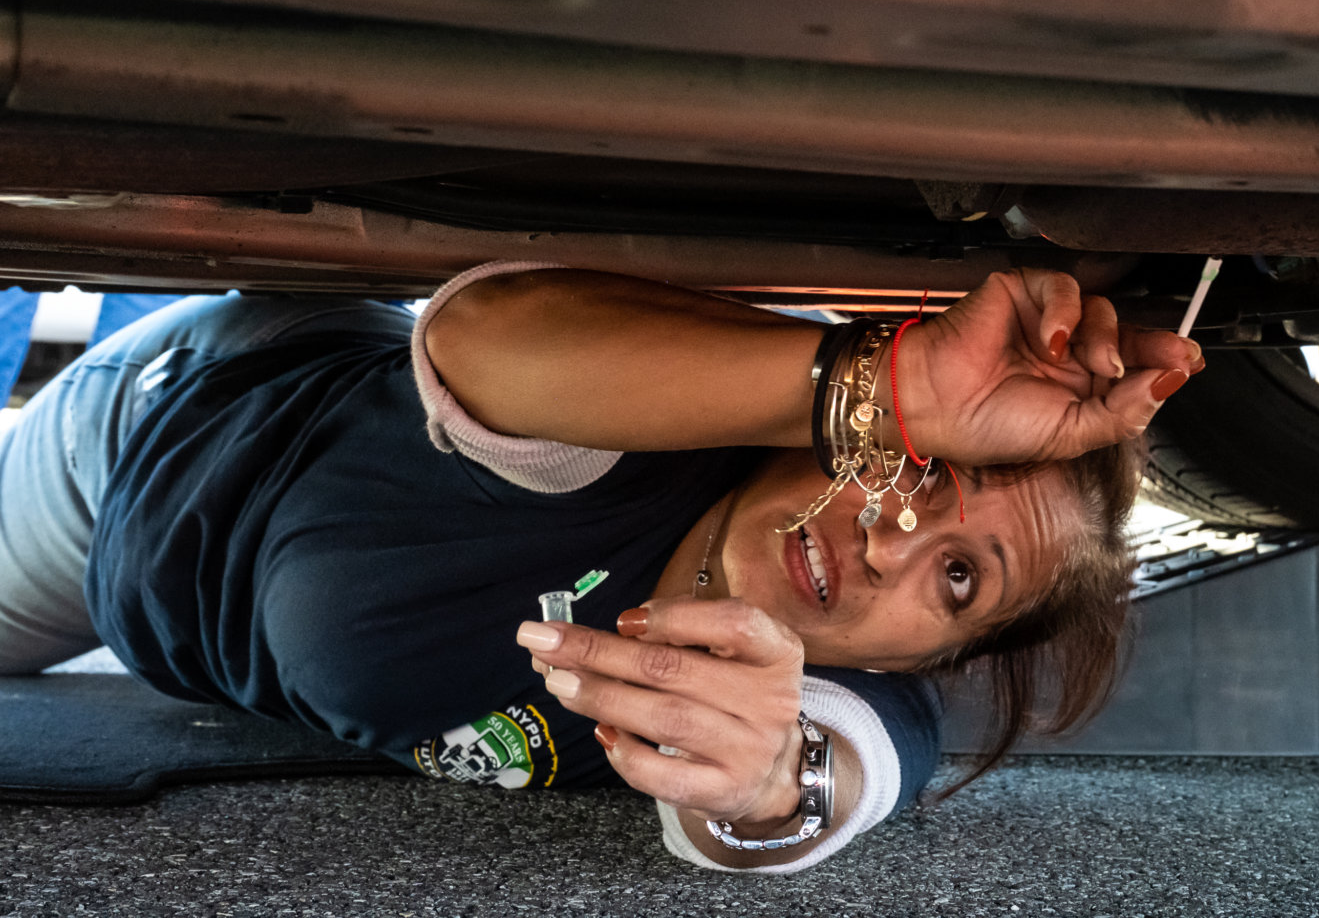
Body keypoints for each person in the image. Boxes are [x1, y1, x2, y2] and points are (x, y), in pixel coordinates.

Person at [0, 260, 1199, 872]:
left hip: (196, 644)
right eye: (922, 469)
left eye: (957, 580)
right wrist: (899, 387)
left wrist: (769, 789)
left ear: (936, 658)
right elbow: (473, 337)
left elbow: (831, 784)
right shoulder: (640, 431)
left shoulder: (859, 696)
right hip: (146, 448)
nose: (890, 545)